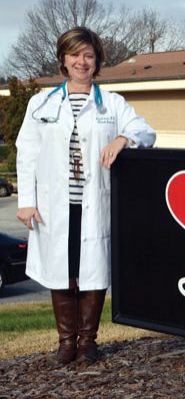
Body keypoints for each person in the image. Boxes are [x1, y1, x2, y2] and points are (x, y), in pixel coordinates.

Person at [15, 27, 156, 365]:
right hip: (54, 205)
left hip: (94, 203)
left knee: (93, 269)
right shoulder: (41, 103)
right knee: (60, 269)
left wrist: (122, 139)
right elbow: (27, 152)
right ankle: (66, 342)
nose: (82, 61)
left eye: (89, 56)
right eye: (75, 54)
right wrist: (26, 201)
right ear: (63, 59)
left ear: (97, 62)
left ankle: (88, 340)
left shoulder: (112, 103)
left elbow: (145, 132)